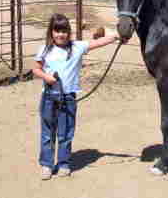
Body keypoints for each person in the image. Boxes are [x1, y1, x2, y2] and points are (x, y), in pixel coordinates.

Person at [32, 13, 118, 180]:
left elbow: (97, 42)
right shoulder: (44, 49)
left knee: (66, 133)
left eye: (64, 31)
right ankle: (47, 165)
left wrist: (116, 36)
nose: (60, 35)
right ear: (51, 32)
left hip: (68, 98)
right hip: (49, 97)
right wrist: (46, 77)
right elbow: (36, 68)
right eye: (57, 31)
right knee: (47, 133)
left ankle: (63, 163)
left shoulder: (77, 47)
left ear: (68, 32)